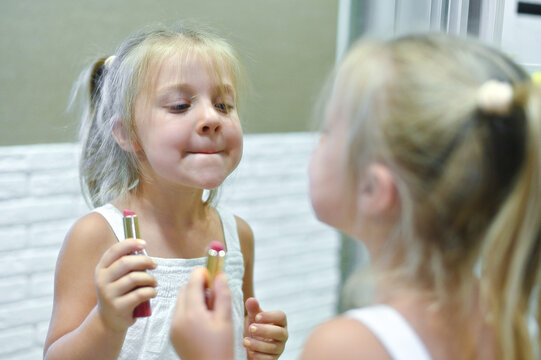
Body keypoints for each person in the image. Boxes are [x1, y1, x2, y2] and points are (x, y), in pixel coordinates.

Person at [169, 33, 541, 360]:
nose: (318, 140)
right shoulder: (505, 320)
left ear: (373, 189)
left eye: (329, 130)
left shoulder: (348, 347)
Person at [43, 24, 288, 360]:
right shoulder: (95, 237)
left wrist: (258, 346)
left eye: (224, 105)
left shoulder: (237, 237)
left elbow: (228, 343)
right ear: (128, 134)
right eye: (179, 106)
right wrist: (106, 321)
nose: (211, 118)